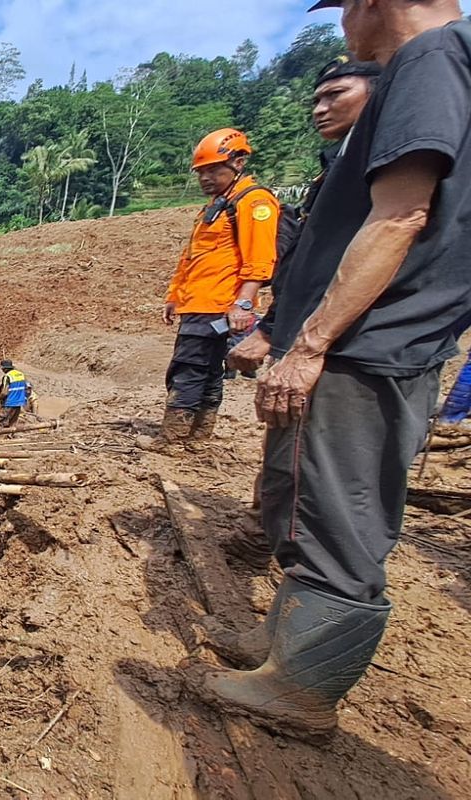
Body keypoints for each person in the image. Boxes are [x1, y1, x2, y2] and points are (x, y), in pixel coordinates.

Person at [199, 0, 471, 737]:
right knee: (305, 498)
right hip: (361, 341)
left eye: (348, 5)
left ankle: (304, 687)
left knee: (339, 515)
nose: (345, 23)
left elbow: (401, 217)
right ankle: (286, 645)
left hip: (366, 346)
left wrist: (311, 344)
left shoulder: (431, 60)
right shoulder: (437, 65)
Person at [229, 54, 382, 375]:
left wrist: (251, 311)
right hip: (306, 331)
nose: (319, 109)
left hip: (348, 344)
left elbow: (331, 260)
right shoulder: (338, 166)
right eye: (316, 99)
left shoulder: (372, 168)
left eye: (335, 94)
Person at [154, 128, 279, 448]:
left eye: (213, 170)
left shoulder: (253, 202)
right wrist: (174, 296)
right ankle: (197, 437)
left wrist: (245, 304)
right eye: (201, 172)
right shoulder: (217, 205)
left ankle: (173, 438)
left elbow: (261, 259)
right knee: (208, 370)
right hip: (197, 302)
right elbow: (192, 257)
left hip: (218, 304)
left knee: (189, 368)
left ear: (238, 162)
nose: (205, 178)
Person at [0, 360, 29, 429]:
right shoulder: (21, 374)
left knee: (1, 421)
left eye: (2, 369)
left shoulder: (7, 376)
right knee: (13, 422)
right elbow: (26, 389)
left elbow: (4, 393)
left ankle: (1, 438)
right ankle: (10, 436)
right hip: (19, 402)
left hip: (10, 402)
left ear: (5, 368)